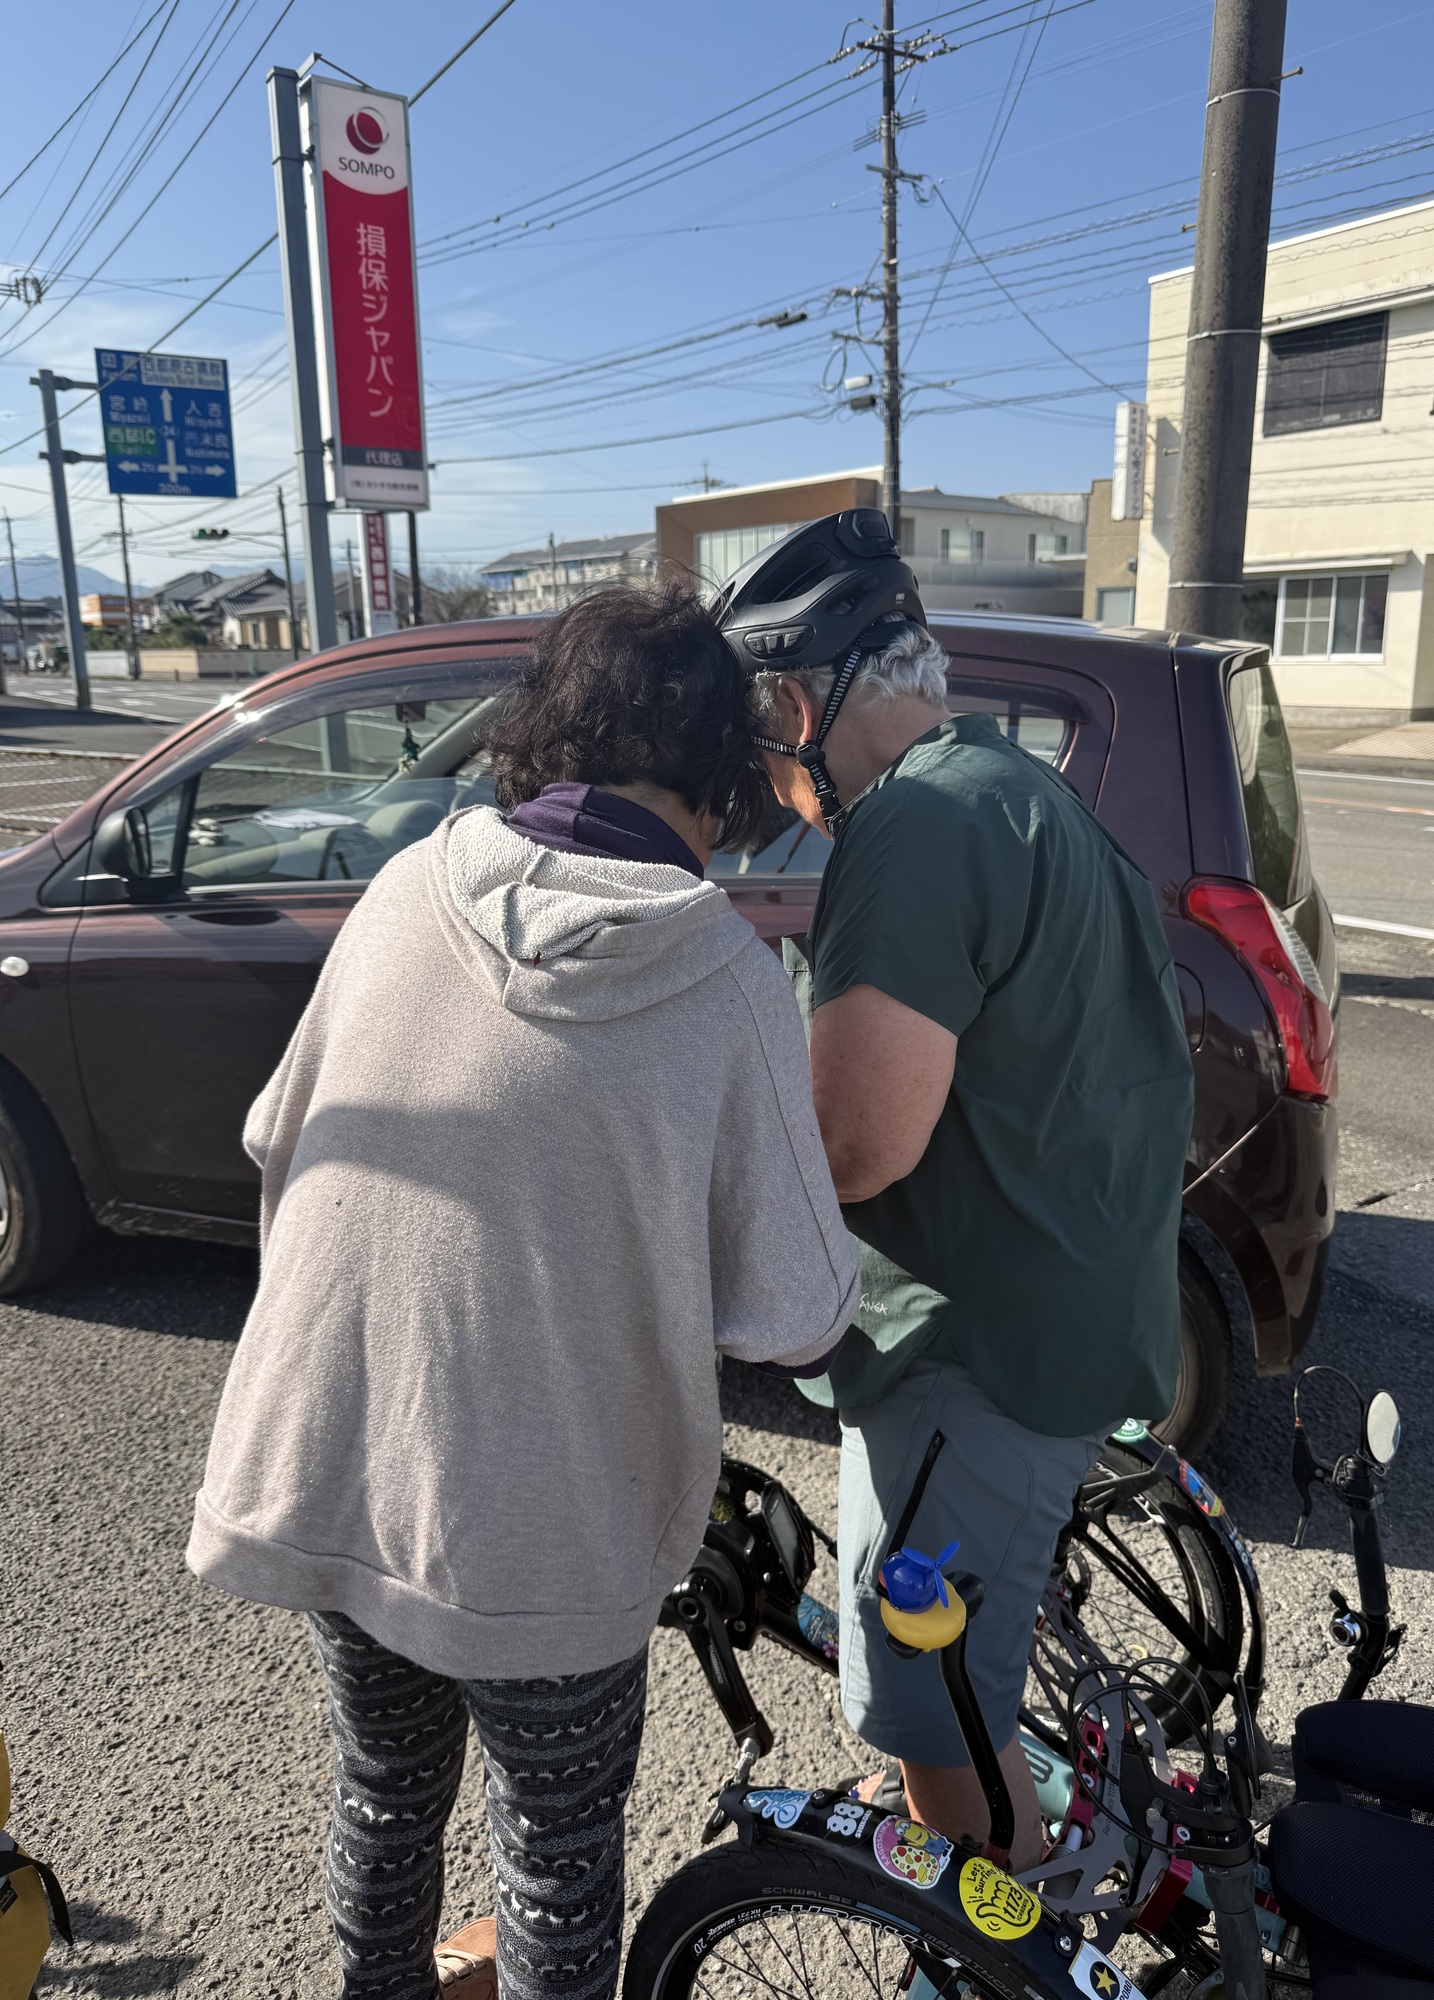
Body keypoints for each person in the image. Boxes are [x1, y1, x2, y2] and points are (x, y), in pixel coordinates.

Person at [185, 579, 860, 2000]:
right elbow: (799, 1311)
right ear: (719, 775)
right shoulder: (724, 975)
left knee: (383, 1788)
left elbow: (270, 1131)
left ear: (547, 735)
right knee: (554, 1847)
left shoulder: (401, 890)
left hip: (345, 1463)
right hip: (557, 1526)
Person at [717, 510, 1196, 1868]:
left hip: (969, 1351)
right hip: (1069, 1305)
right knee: (969, 1668)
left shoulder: (913, 826)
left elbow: (855, 1146)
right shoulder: (1020, 792)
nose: (773, 784)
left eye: (763, 747)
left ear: (797, 707)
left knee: (927, 1716)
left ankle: (1004, 1921)